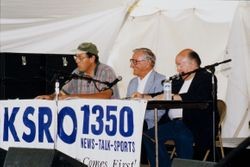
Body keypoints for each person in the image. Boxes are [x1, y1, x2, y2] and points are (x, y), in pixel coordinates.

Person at [135, 48, 219, 167]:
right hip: (173, 123)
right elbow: (162, 93)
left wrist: (174, 97)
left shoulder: (206, 78)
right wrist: (144, 96)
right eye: (177, 65)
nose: (178, 69)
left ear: (193, 63)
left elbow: (199, 97)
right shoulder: (178, 80)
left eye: (180, 65)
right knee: (148, 136)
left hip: (194, 124)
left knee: (182, 136)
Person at [36, 42, 120, 100]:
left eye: (80, 57)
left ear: (92, 58)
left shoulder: (105, 71)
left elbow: (105, 95)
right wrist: (51, 97)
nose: (77, 61)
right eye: (76, 57)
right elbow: (63, 93)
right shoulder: (76, 72)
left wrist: (74, 97)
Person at [126, 48, 166, 164]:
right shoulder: (133, 82)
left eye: (135, 61)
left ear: (148, 63)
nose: (131, 65)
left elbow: (160, 110)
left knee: (140, 126)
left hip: (150, 123)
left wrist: (138, 118)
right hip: (131, 123)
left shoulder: (161, 80)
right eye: (131, 61)